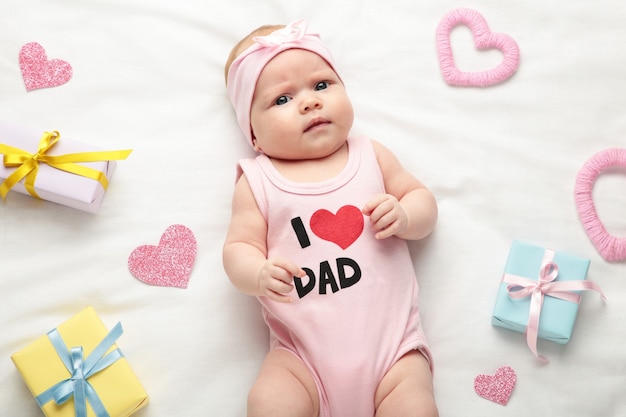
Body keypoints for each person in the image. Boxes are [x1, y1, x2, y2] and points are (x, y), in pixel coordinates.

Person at [222, 19, 439, 417]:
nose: (309, 102)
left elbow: (423, 201)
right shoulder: (258, 181)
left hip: (393, 353)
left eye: (321, 85)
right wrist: (256, 273)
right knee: (268, 402)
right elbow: (238, 248)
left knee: (416, 407)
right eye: (282, 99)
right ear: (252, 133)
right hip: (301, 359)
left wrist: (407, 214)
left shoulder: (370, 155)